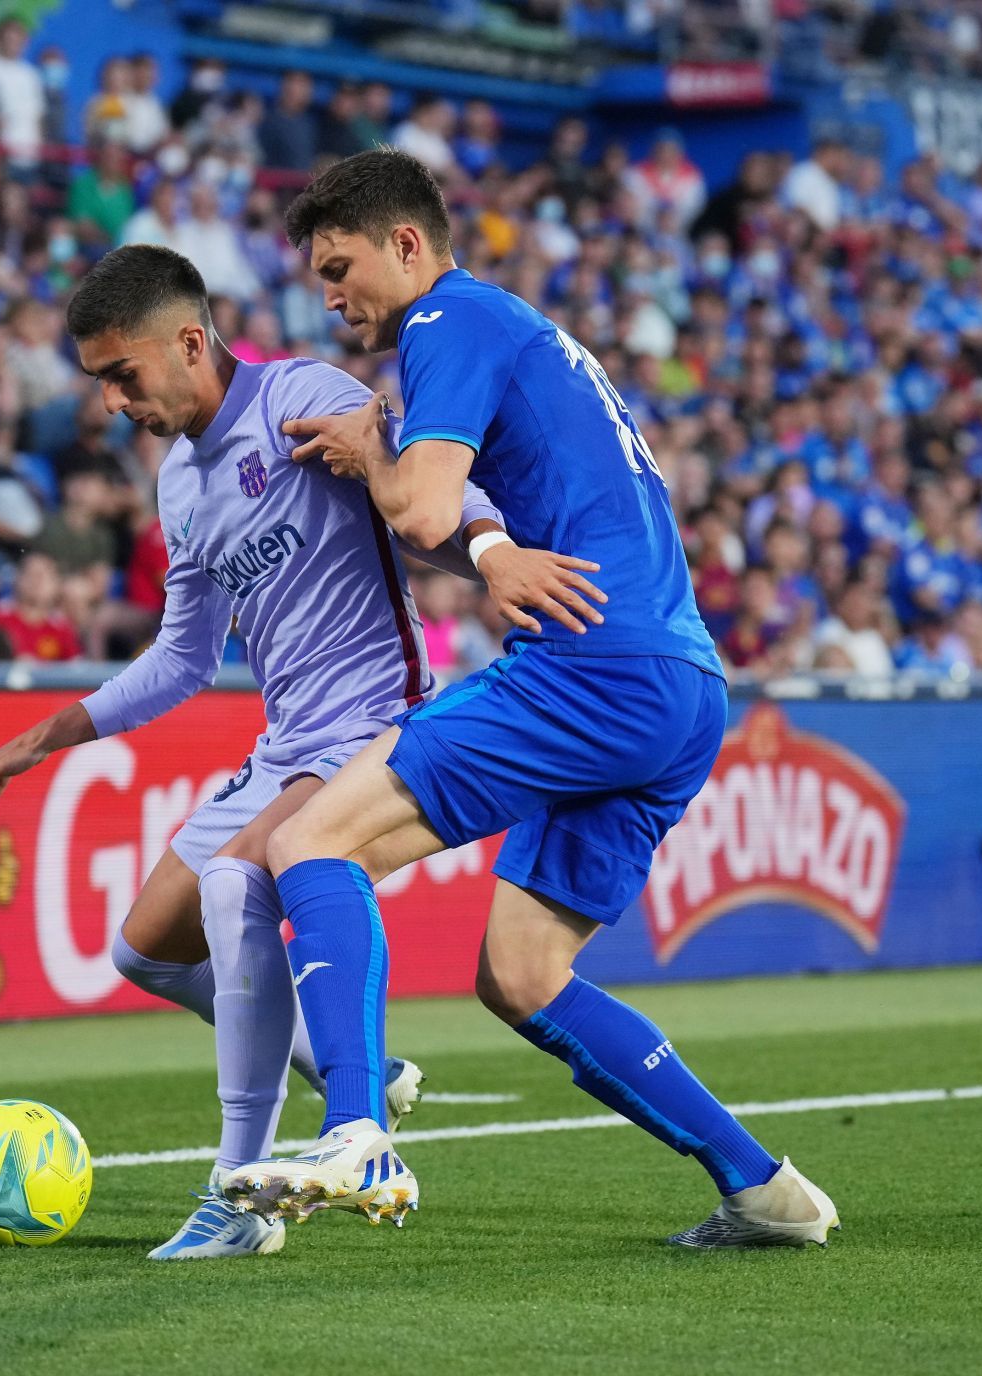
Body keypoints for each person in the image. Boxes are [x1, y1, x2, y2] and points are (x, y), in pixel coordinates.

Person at [220, 151, 840, 1249]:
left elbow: (416, 512)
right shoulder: (520, 330)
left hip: (592, 665)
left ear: (406, 245)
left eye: (338, 265)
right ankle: (762, 1186)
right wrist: (497, 547)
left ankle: (357, 1124)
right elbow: (474, 525)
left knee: (310, 840)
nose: (329, 296)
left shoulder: (446, 320)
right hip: (681, 682)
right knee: (522, 971)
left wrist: (371, 448)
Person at [0, 244, 596, 1260]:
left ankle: (236, 1198)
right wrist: (47, 734)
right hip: (288, 734)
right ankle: (354, 1073)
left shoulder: (303, 397)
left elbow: (423, 486)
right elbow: (181, 659)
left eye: (123, 373)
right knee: (143, 947)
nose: (113, 401)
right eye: (99, 381)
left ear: (191, 343)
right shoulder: (178, 487)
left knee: (231, 890)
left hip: (373, 712)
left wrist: (490, 549)